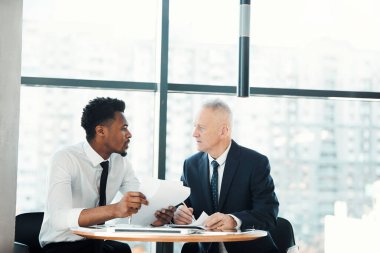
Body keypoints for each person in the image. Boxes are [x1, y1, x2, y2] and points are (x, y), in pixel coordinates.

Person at [39, 97, 175, 253]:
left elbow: (138, 200)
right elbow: (59, 218)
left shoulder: (120, 162)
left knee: (123, 250)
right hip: (62, 246)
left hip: (97, 244)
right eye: (123, 128)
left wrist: (154, 217)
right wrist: (115, 209)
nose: (129, 134)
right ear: (101, 131)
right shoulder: (65, 158)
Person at [174, 99, 280, 253]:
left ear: (223, 131)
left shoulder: (255, 163)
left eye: (201, 128)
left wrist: (234, 220)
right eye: (194, 126)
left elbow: (268, 214)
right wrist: (178, 215)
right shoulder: (191, 165)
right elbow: (182, 205)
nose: (194, 133)